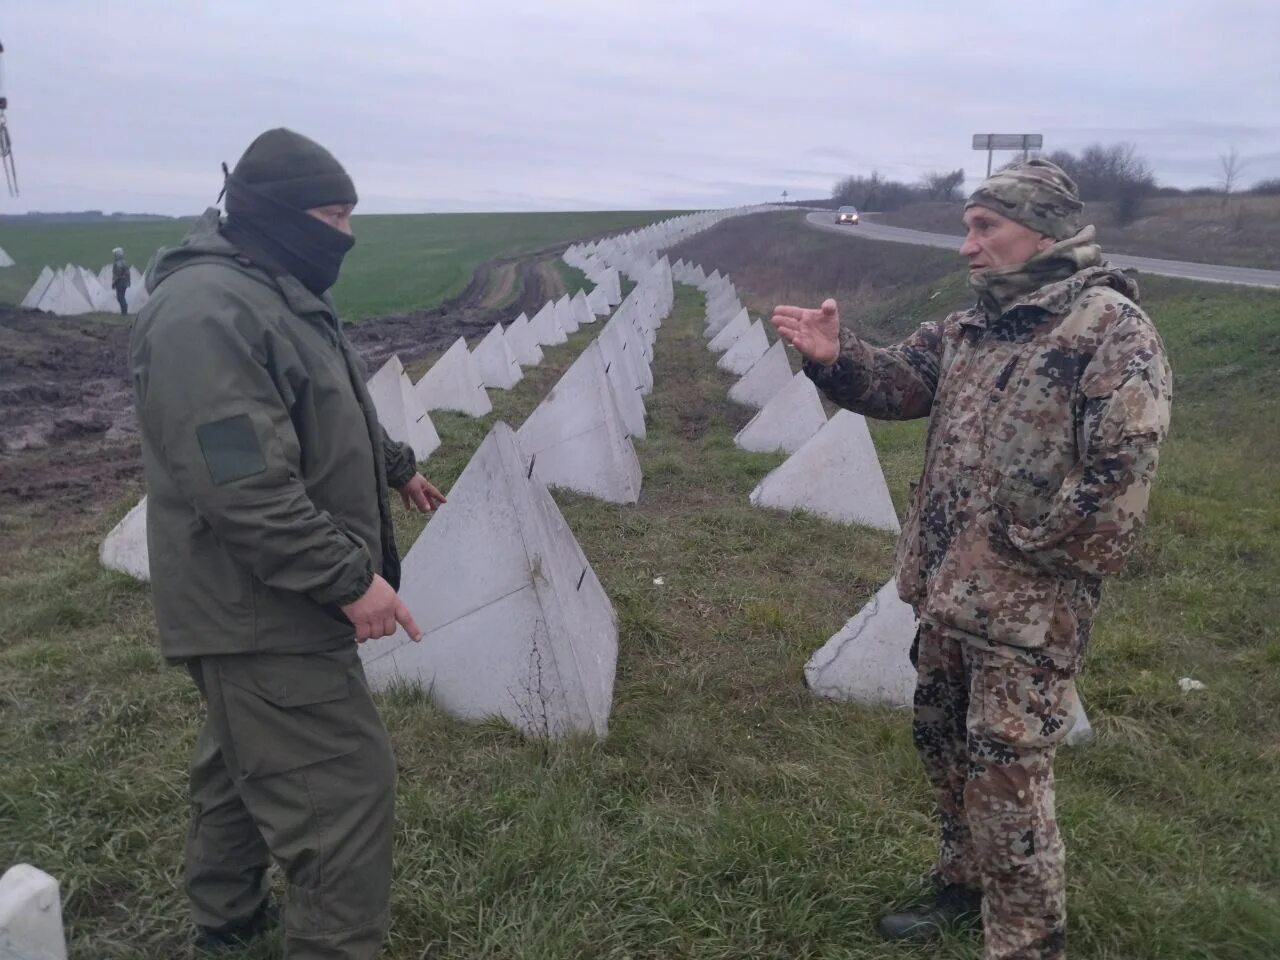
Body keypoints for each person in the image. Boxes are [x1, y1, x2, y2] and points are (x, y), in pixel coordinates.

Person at [772, 159, 1172, 960]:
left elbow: (1121, 475)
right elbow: (897, 385)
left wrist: (1025, 559)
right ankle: (960, 887)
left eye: (985, 226)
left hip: (1026, 611)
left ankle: (1026, 938)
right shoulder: (971, 328)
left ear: (1046, 230)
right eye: (967, 227)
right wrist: (833, 355)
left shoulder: (1109, 329)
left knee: (1008, 777)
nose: (968, 246)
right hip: (945, 593)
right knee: (945, 745)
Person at [130, 128, 446, 959]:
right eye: (334, 214)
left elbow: (332, 395)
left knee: (239, 766)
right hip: (258, 603)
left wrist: (395, 466)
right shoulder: (206, 315)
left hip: (264, 600)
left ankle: (227, 925)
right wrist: (349, 578)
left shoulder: (280, 288)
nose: (347, 234)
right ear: (277, 214)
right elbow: (243, 487)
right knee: (342, 790)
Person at [111, 247, 130, 315]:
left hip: (120, 282)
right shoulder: (124, 262)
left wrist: (114, 283)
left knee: (120, 297)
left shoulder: (118, 263)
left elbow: (117, 274)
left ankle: (124, 312)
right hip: (124, 282)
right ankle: (124, 311)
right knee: (121, 296)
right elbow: (128, 273)